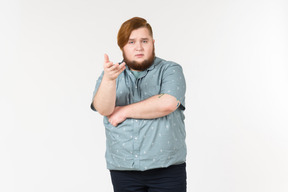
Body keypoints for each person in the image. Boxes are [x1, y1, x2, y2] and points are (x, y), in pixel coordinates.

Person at [91, 17, 187, 192]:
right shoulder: (110, 75)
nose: (139, 47)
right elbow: (103, 109)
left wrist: (124, 111)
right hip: (123, 169)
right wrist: (109, 80)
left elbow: (167, 103)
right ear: (122, 46)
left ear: (153, 42)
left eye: (144, 41)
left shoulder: (170, 70)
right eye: (131, 42)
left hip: (167, 169)